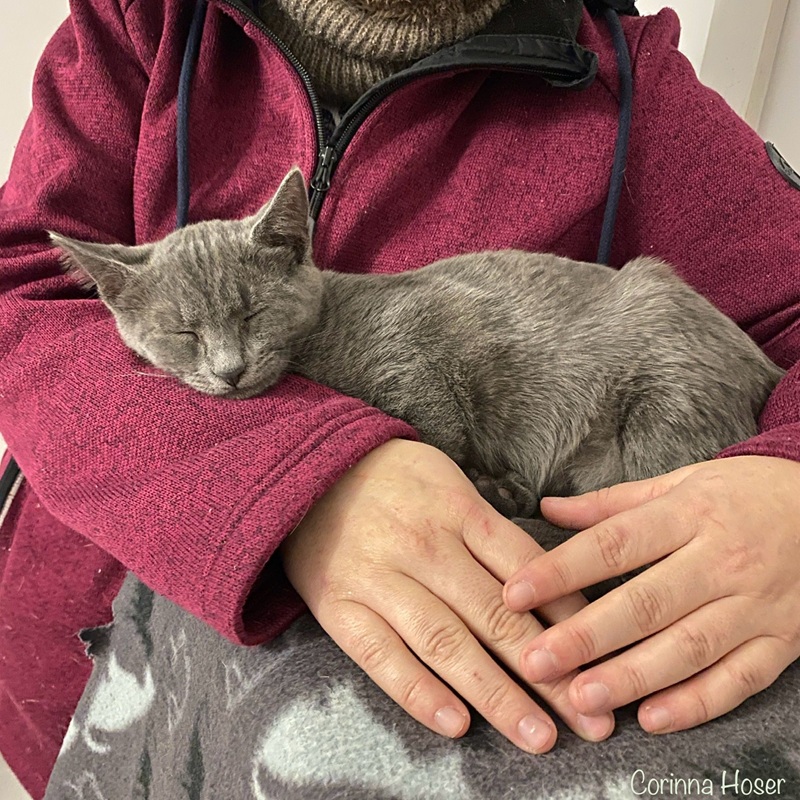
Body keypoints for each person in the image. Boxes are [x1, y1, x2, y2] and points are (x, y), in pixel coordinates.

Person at [1, 0, 799, 796]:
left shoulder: (632, 81)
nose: (229, 364)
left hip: (571, 528)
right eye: (189, 339)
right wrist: (301, 477)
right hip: (101, 663)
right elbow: (19, 290)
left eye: (243, 329)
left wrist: (791, 480)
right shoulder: (142, 20)